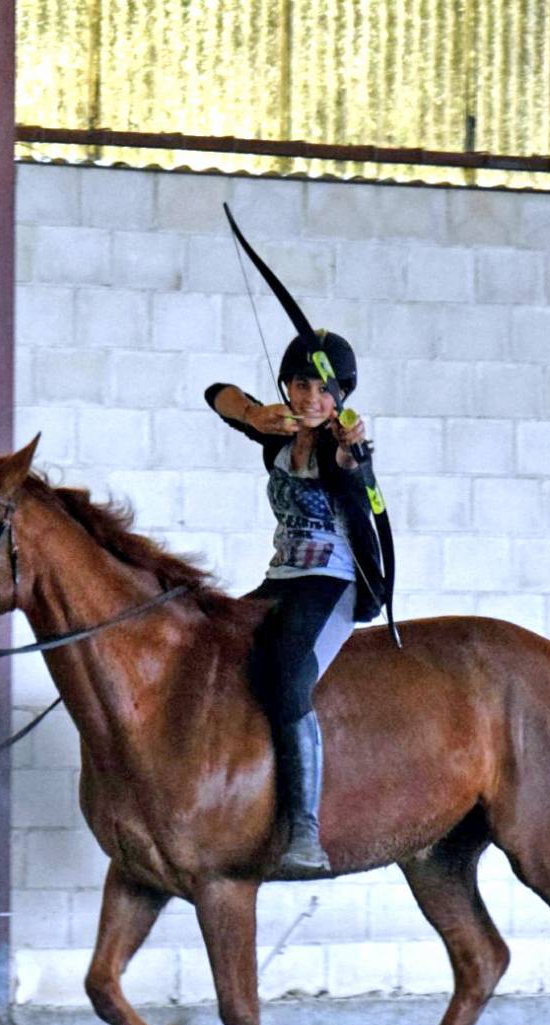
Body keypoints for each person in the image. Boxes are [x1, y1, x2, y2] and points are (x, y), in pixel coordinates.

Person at [205, 330, 386, 877]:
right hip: (282, 577)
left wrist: (353, 452)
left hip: (334, 582)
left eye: (325, 390)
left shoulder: (341, 447)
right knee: (212, 642)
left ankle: (304, 830)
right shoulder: (278, 435)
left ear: (342, 397)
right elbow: (216, 393)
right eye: (301, 384)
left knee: (288, 677)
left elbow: (355, 471)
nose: (311, 398)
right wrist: (253, 414)